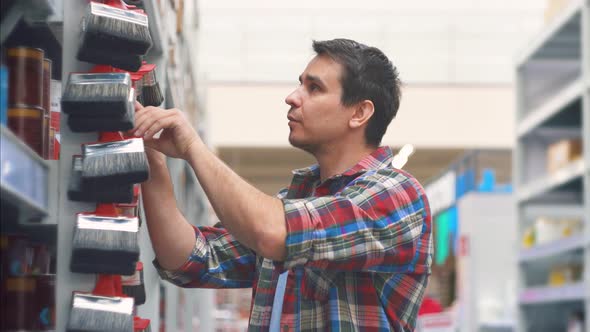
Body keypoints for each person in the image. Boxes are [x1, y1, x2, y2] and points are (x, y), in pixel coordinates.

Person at [135, 38, 432, 331]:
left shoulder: (397, 196)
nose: (292, 96)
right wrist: (153, 157)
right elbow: (189, 258)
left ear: (359, 113)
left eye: (314, 88)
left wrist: (192, 147)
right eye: (300, 84)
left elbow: (272, 232)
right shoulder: (293, 201)